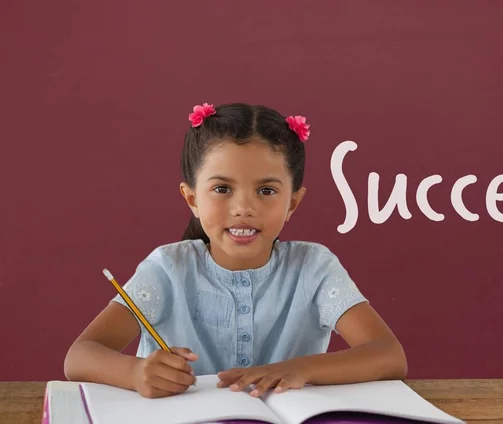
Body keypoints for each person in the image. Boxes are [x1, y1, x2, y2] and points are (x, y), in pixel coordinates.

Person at [64, 102, 407, 399]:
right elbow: (79, 357)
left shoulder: (313, 267)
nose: (244, 207)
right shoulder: (168, 268)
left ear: (293, 204)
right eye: (223, 188)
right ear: (192, 199)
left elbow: (389, 356)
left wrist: (300, 368)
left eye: (267, 191)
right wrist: (136, 374)